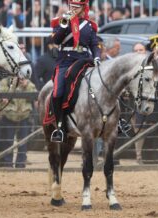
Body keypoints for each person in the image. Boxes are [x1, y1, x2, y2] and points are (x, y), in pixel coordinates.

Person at [50, 0, 101, 143]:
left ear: (83, 8)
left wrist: (97, 57)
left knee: (104, 83)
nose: (73, 8)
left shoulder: (89, 26)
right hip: (65, 61)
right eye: (71, 5)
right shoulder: (60, 22)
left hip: (84, 60)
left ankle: (116, 120)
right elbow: (57, 40)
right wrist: (64, 23)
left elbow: (94, 45)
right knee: (57, 93)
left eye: (77, 6)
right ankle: (59, 127)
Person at [0, 78, 37, 168]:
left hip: (24, 116)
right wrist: (13, 85)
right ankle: (7, 163)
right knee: (8, 141)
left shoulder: (28, 83)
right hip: (9, 115)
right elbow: (1, 95)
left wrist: (26, 86)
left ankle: (20, 163)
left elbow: (35, 95)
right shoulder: (5, 81)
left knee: (23, 141)